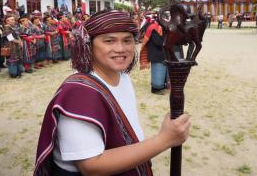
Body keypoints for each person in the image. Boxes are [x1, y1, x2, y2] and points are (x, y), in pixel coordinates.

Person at [34, 10, 190, 176]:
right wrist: (164, 140)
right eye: (109, 41)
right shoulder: (80, 91)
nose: (120, 48)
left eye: (127, 40)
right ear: (89, 44)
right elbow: (92, 166)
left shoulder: (123, 78)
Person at [140, 17, 168, 94]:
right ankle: (155, 89)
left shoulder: (153, 27)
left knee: (162, 70)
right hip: (156, 53)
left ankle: (162, 85)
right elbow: (158, 42)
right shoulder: (153, 29)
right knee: (157, 70)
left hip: (157, 53)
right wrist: (165, 39)